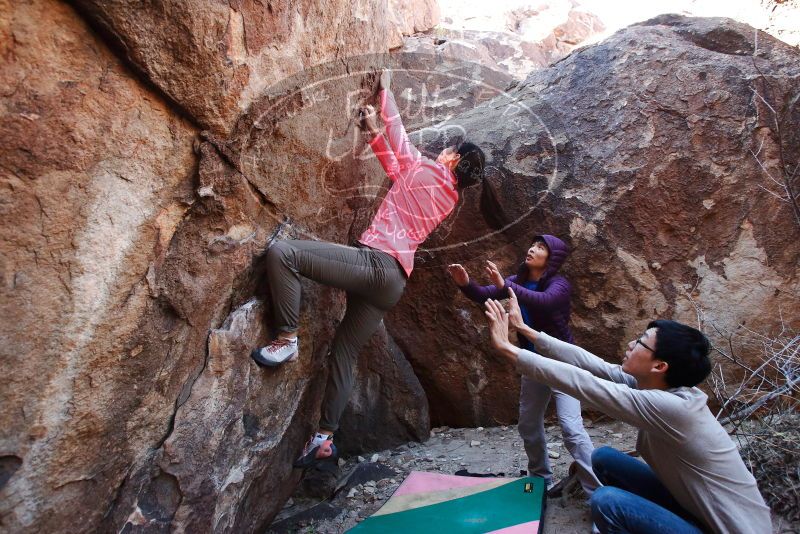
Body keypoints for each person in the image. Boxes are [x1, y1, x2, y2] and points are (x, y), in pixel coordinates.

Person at [251, 69, 504, 468]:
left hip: (374, 263)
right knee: (345, 352)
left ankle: (286, 337)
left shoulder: (425, 169)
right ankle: (324, 438)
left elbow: (400, 139)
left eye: (450, 148)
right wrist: (372, 133)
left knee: (284, 253)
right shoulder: (446, 197)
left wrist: (385, 92)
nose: (443, 150)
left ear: (453, 158)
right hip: (393, 282)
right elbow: (396, 166)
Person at [482, 289, 772, 534]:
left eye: (642, 342)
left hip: (730, 528)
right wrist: (525, 330)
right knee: (604, 459)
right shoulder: (659, 387)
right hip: (697, 510)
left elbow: (587, 385)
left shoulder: (671, 408)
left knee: (608, 501)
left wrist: (509, 350)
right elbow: (591, 365)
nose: (632, 344)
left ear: (660, 366)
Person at [447, 236, 600, 495]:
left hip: (563, 363)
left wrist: (505, 285)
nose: (532, 248)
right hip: (533, 362)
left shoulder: (559, 284)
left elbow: (544, 301)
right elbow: (485, 294)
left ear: (552, 258)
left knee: (571, 428)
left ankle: (596, 491)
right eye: (533, 244)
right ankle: (541, 479)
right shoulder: (517, 281)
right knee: (528, 424)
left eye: (541, 247)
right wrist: (466, 283)